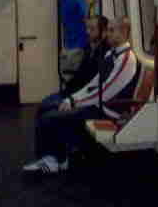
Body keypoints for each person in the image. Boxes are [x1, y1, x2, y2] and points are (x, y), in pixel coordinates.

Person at [23, 17, 140, 174]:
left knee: (50, 118)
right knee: (47, 111)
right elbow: (93, 84)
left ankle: (52, 161)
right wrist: (72, 98)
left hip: (109, 112)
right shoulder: (110, 55)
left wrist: (75, 103)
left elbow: (105, 92)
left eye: (112, 31)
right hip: (98, 106)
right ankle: (55, 158)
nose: (108, 34)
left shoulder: (127, 59)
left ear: (124, 32)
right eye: (108, 30)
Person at [37, 15, 110, 116]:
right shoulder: (88, 48)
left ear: (104, 32)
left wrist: (72, 99)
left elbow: (92, 83)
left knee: (48, 116)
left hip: (84, 98)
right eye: (87, 28)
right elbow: (80, 73)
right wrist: (66, 91)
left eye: (92, 29)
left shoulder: (106, 53)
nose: (87, 32)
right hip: (73, 92)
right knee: (43, 105)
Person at [46, 0, 89, 82]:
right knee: (66, 80)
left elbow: (87, 23)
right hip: (67, 47)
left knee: (74, 81)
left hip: (79, 47)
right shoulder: (61, 1)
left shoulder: (76, 0)